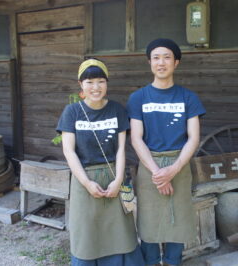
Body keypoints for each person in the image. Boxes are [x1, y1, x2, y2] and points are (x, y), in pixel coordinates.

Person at [56, 58, 145, 266]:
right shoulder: (72, 112)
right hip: (84, 178)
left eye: (100, 81)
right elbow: (69, 151)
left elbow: (121, 149)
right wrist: (87, 183)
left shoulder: (116, 110)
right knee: (87, 233)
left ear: (106, 83)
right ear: (81, 85)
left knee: (120, 232)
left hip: (114, 175)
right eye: (89, 82)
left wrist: (118, 179)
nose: (95, 87)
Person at [127, 38, 206, 266]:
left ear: (176, 62)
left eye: (167, 57)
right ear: (149, 62)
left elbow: (193, 137)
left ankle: (173, 261)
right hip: (149, 165)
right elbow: (136, 138)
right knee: (149, 219)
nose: (161, 62)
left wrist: (174, 169)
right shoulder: (138, 98)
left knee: (178, 218)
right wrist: (157, 173)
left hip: (179, 164)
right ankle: (150, 261)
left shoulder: (188, 97)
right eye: (156, 57)